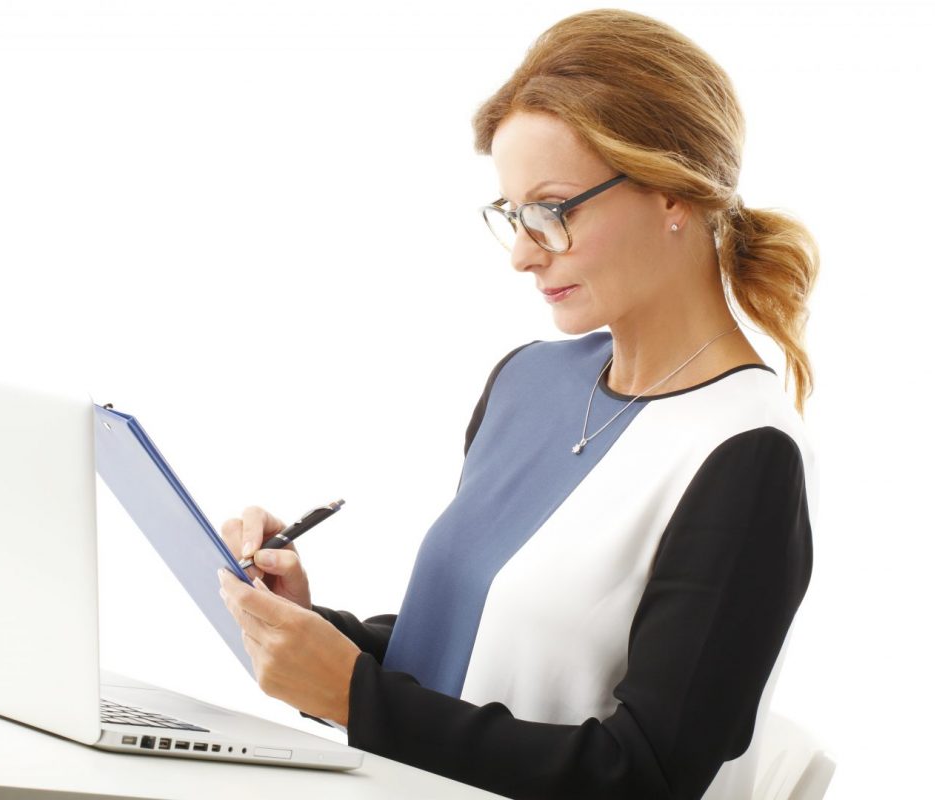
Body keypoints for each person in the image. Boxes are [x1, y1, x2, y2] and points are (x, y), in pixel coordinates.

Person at [216, 9, 819, 799]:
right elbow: (474, 653)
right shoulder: (526, 380)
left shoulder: (742, 456)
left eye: (554, 210)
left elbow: (645, 775)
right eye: (513, 214)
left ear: (673, 193)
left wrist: (355, 696)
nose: (524, 254)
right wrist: (312, 633)